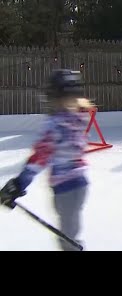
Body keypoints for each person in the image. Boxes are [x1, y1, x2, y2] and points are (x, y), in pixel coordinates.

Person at [0, 69, 92, 250]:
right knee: (70, 233)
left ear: (55, 97)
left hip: (65, 188)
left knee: (68, 240)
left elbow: (40, 157)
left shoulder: (55, 124)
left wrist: (18, 184)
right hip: (80, 184)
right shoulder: (78, 118)